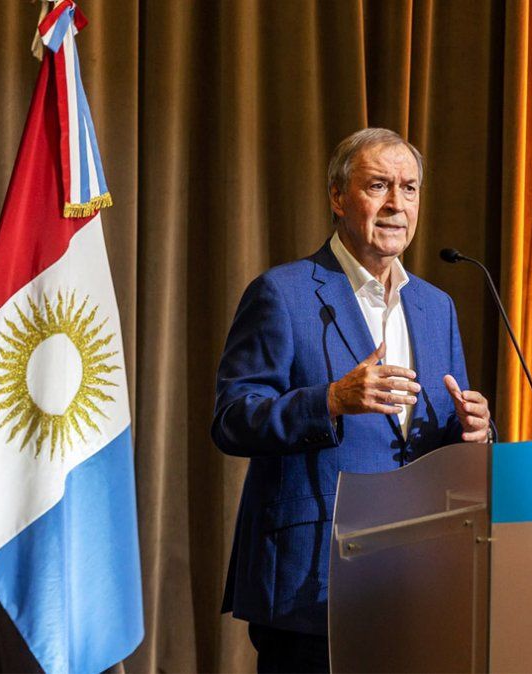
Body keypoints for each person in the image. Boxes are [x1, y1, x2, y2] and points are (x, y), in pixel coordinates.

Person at [211, 128, 493, 673]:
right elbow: (231, 420)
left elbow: (439, 439)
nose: (396, 205)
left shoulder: (436, 307)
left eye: (409, 189)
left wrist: (473, 432)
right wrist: (331, 400)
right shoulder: (283, 293)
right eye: (378, 186)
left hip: (414, 578)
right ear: (338, 197)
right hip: (313, 579)